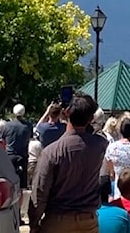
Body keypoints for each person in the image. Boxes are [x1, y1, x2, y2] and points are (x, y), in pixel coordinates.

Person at [29, 93, 109, 233]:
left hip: (58, 220)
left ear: (66, 113)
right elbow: (98, 135)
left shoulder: (52, 152)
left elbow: (40, 191)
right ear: (90, 119)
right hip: (88, 220)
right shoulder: (100, 146)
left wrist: (34, 223)